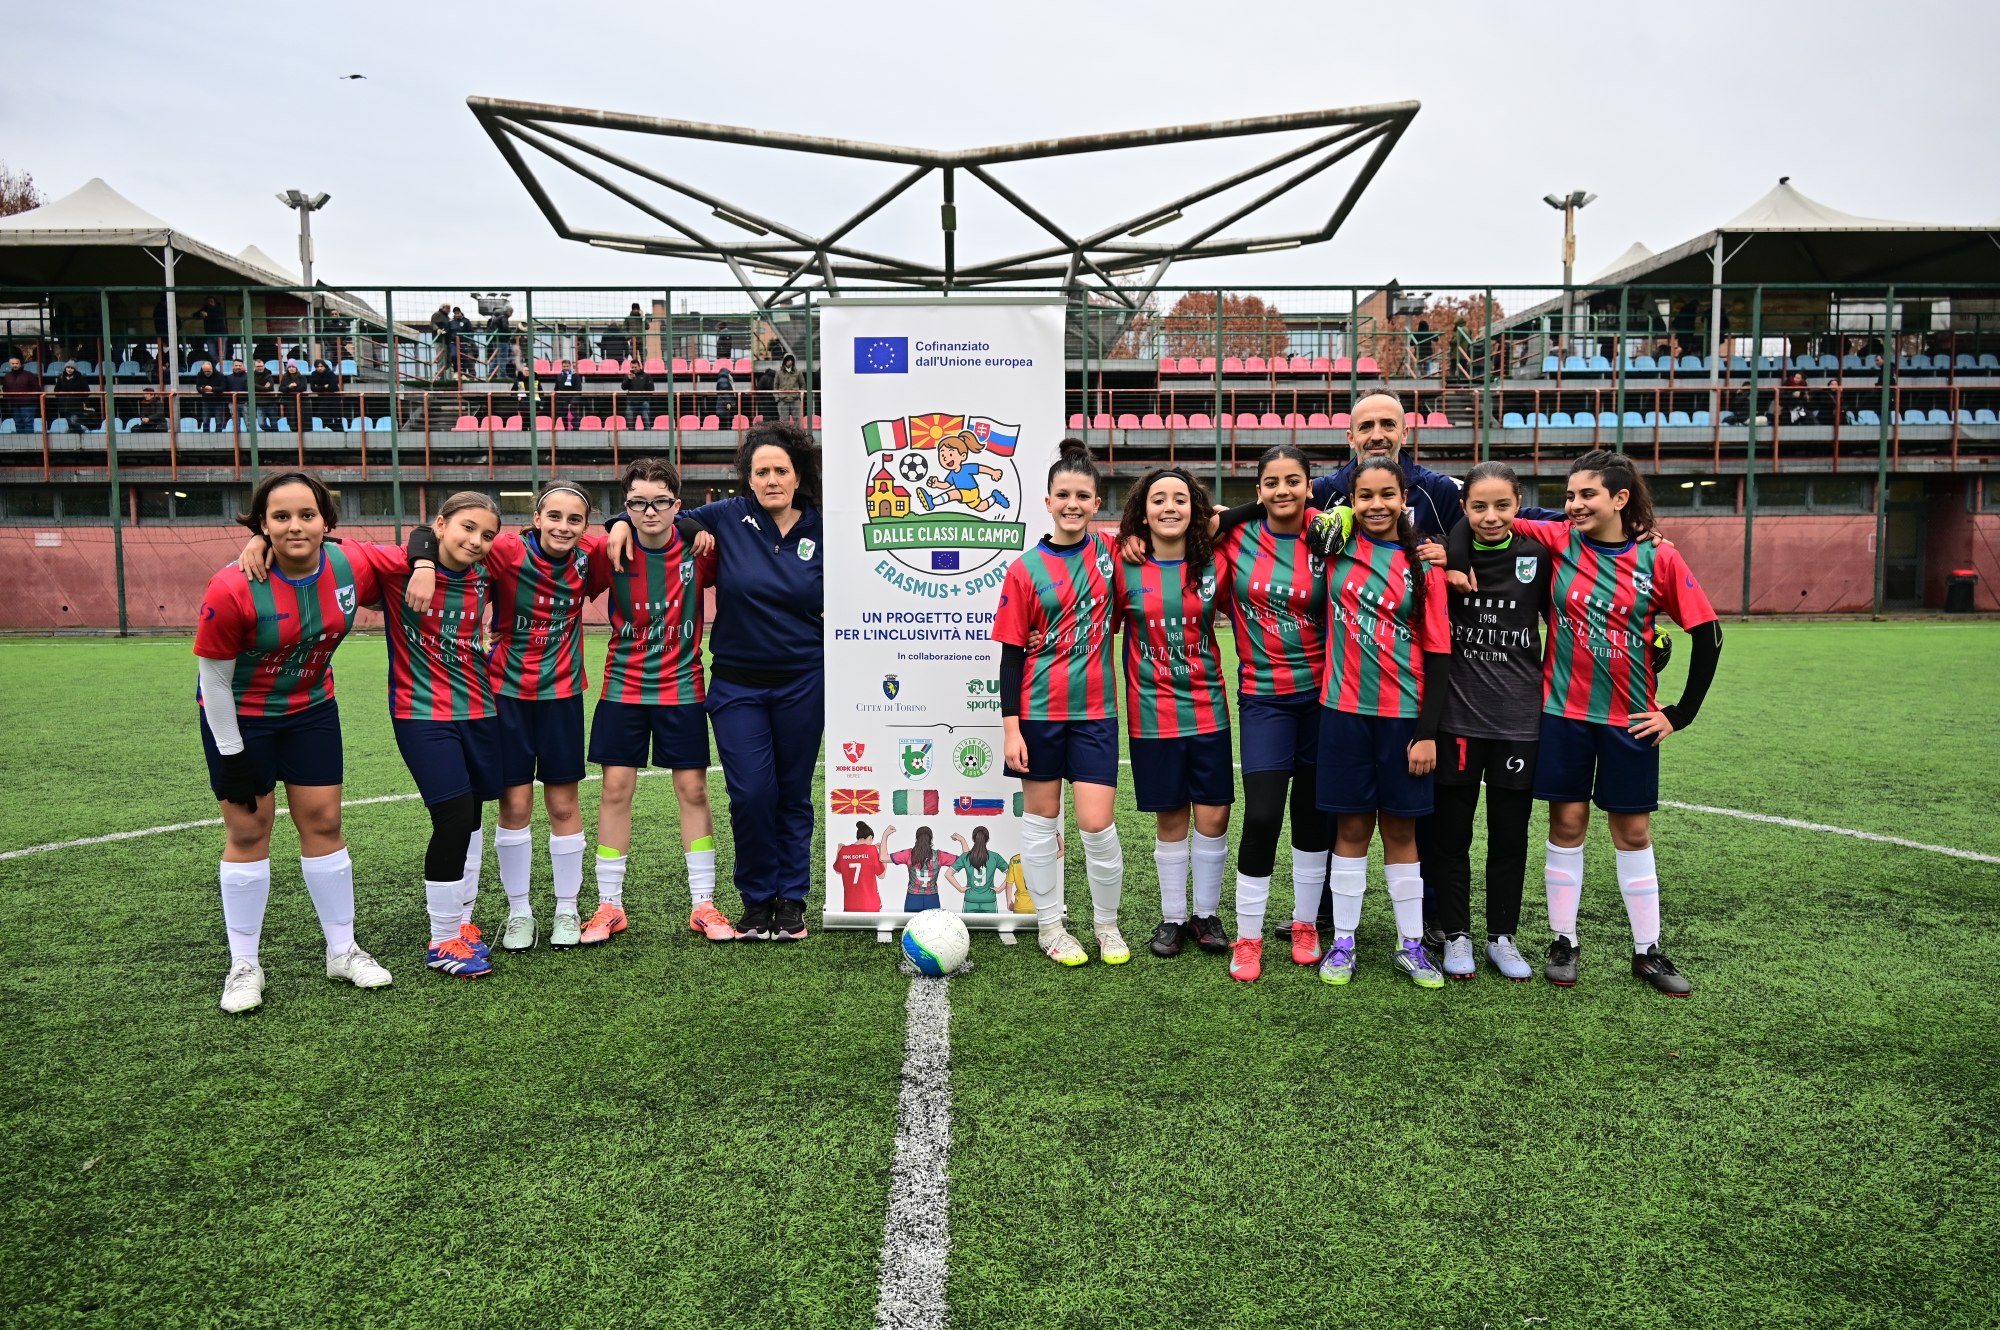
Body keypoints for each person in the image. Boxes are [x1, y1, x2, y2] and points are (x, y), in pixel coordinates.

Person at [1475, 449, 1723, 996]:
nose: (1574, 504)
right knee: (1566, 826)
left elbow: (1707, 633)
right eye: (1568, 496)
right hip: (1563, 714)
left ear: (1620, 498)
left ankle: (1648, 951)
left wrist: (1678, 713)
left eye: (1587, 494)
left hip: (1629, 719)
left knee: (1632, 832)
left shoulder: (1659, 559)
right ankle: (1564, 942)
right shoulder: (1558, 539)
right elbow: (1482, 509)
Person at [241, 492, 508, 978]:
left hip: (481, 708)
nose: (476, 541)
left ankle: (464, 922)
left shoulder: (488, 569)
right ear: (442, 523)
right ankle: (443, 938)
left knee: (472, 815)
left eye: (488, 534)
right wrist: (262, 541)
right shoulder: (397, 566)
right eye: (467, 528)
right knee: (451, 814)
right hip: (422, 712)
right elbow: (328, 545)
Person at [611, 422, 823, 941]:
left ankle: (790, 898)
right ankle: (755, 898)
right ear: (747, 479)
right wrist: (619, 521)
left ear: (798, 476)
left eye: (781, 470)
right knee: (751, 793)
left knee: (792, 793)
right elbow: (656, 516)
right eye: (761, 471)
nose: (771, 479)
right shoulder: (726, 517)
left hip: (804, 681)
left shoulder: (824, 528)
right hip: (736, 686)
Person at [195, 471, 396, 1012]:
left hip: (310, 711)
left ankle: (342, 950)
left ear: (327, 521)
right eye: (279, 517)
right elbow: (213, 682)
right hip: (242, 720)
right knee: (248, 829)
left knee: (325, 822)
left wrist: (422, 563)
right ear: (261, 524)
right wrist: (233, 753)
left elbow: (429, 542)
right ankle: (244, 965)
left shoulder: (352, 560)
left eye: (306, 515)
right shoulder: (232, 586)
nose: (294, 526)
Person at [406, 481, 613, 953]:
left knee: (563, 805)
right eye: (554, 516)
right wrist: (421, 562)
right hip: (504, 695)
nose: (563, 526)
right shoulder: (502, 549)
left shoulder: (591, 556)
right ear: (536, 519)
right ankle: (519, 912)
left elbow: (635, 533)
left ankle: (566, 909)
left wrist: (620, 525)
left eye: (575, 519)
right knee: (514, 807)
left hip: (562, 695)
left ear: (585, 528)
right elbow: (429, 533)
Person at [1302, 456, 1453, 988]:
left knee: (1402, 831)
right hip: (1343, 714)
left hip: (1404, 720)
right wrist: (1331, 520)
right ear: (1351, 501)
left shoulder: (1424, 566)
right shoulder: (1333, 549)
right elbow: (1276, 508)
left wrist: (1427, 732)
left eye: (1387, 495)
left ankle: (1410, 945)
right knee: (1350, 828)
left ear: (1404, 498)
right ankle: (1343, 943)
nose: (1376, 505)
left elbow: (1438, 655)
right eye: (1364, 496)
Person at [991, 440, 1127, 967]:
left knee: (1097, 825)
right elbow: (1008, 659)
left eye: (1084, 496)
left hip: (1095, 714)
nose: (1073, 503)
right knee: (1041, 824)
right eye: (1063, 494)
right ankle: (1051, 927)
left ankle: (1107, 927)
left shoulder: (1113, 554)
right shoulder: (1024, 570)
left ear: (1097, 504)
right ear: (1047, 501)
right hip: (1039, 715)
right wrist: (1011, 730)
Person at [587, 459, 730, 944]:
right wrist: (616, 526)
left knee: (693, 792)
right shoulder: (608, 550)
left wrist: (692, 527)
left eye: (661, 502)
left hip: (683, 688)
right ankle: (609, 905)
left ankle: (704, 904)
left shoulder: (699, 548)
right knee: (615, 791)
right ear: (625, 506)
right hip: (622, 687)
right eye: (638, 503)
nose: (650, 511)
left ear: (676, 503)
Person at [1212, 443, 1334, 981]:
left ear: (1310, 485)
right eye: (1270, 483)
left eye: (1293, 481)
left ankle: (1306, 924)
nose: (1282, 491)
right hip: (1263, 697)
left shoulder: (1332, 533)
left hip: (1326, 697)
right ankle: (1248, 936)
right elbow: (1182, 530)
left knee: (1312, 816)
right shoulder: (1236, 535)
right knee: (1262, 816)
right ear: (1257, 490)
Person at [1431, 462, 1556, 982]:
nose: (1490, 516)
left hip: (1518, 721)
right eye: (1479, 506)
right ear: (1464, 507)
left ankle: (1502, 936)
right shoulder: (1438, 555)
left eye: (1502, 505)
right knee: (1451, 836)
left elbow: (1569, 615)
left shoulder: (1540, 555)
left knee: (1510, 837)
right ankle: (1456, 935)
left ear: (1518, 505)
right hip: (1457, 719)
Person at [1113, 465, 1236, 968]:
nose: (1170, 507)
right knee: (1171, 818)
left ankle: (1205, 915)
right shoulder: (1123, 566)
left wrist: (1221, 521)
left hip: (1209, 709)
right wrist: (1123, 538)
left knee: (1214, 814)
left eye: (1181, 499)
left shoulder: (1217, 565)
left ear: (1195, 510)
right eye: (1158, 499)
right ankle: (1171, 915)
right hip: (1152, 715)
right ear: (1143, 511)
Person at [882, 825, 961, 912]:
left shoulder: (908, 854)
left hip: (913, 898)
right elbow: (965, 861)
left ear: (916, 839)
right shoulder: (939, 855)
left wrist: (885, 835)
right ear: (931, 839)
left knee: (911, 925)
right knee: (932, 925)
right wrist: (962, 840)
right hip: (932, 898)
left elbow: (883, 858)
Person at [833, 823, 887, 913]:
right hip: (870, 905)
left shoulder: (844, 850)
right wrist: (883, 852)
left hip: (850, 905)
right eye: (871, 841)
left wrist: (839, 851)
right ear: (870, 837)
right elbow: (882, 875)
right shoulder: (872, 850)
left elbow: (838, 871)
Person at [952, 828, 1004, 913]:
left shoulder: (966, 856)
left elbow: (948, 874)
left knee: (969, 926)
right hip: (989, 900)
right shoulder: (995, 856)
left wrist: (960, 889)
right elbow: (1011, 873)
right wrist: (1000, 889)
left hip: (971, 899)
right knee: (991, 926)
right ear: (988, 839)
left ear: (973, 839)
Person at [50, 361, 93, 432]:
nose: (69, 369)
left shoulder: (80, 378)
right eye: (68, 367)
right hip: (64, 407)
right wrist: (62, 397)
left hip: (76, 407)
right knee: (68, 424)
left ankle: (81, 433)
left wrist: (79, 399)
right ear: (65, 368)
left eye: (72, 368)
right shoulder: (61, 377)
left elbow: (87, 391)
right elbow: (56, 391)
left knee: (74, 422)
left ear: (74, 369)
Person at [2, 356, 37, 432]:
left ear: (21, 364)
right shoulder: (7, 377)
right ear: (10, 364)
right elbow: (5, 390)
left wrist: (31, 399)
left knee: (28, 424)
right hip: (14, 405)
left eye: (17, 363)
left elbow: (36, 389)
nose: (15, 365)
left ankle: (29, 443)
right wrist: (9, 402)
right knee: (18, 424)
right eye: (13, 363)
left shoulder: (29, 375)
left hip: (28, 405)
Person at [620, 359, 657, 430]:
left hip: (643, 403)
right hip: (631, 403)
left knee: (646, 423)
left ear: (640, 366)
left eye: (635, 367)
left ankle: (648, 438)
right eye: (632, 367)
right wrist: (629, 379)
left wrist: (645, 399)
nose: (634, 369)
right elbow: (623, 387)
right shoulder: (628, 376)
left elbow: (651, 390)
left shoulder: (647, 376)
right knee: (630, 424)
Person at [773, 353, 807, 423]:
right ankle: (784, 434)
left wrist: (800, 396)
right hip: (783, 401)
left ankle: (798, 434)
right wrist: (777, 398)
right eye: (788, 360)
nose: (790, 361)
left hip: (795, 400)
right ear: (784, 361)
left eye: (791, 360)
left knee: (798, 423)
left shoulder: (798, 372)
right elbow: (775, 386)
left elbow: (803, 385)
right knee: (783, 423)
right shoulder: (779, 372)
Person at [193, 361, 227, 432]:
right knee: (205, 421)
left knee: (218, 421)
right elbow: (198, 387)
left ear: (212, 368)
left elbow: (223, 388)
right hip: (206, 401)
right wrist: (202, 389)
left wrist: (212, 389)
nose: (206, 373)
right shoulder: (200, 375)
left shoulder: (220, 375)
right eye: (205, 371)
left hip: (218, 401)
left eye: (208, 371)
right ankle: (206, 435)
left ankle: (218, 435)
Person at [551, 360, 584, 432]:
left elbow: (578, 389)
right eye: (564, 366)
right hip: (562, 401)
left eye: (567, 366)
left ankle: (575, 432)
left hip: (572, 401)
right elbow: (556, 388)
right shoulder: (559, 376)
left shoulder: (576, 376)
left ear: (570, 366)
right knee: (564, 418)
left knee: (574, 417)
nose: (565, 368)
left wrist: (574, 401)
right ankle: (566, 430)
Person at [308, 358, 341, 427]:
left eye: (321, 366)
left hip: (334, 400)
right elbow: (313, 388)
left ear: (325, 366)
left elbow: (333, 387)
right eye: (317, 367)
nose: (319, 368)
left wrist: (319, 387)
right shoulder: (314, 374)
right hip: (322, 400)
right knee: (323, 417)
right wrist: (324, 387)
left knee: (336, 418)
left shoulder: (330, 374)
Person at [275, 360, 306, 433]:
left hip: (300, 401)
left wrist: (293, 387)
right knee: (291, 418)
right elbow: (281, 388)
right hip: (289, 402)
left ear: (296, 368)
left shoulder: (302, 377)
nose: (291, 368)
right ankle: (293, 431)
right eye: (289, 367)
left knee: (300, 417)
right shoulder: (285, 378)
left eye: (293, 367)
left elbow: (303, 388)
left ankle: (300, 432)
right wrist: (289, 387)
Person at [198, 296, 228, 369]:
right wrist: (200, 313)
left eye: (211, 301)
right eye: (208, 302)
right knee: (211, 353)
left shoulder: (219, 309)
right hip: (210, 335)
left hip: (221, 335)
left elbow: (219, 315)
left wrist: (208, 315)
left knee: (222, 354)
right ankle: (217, 367)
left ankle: (221, 368)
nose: (210, 303)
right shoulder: (205, 309)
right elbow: (194, 315)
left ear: (215, 302)